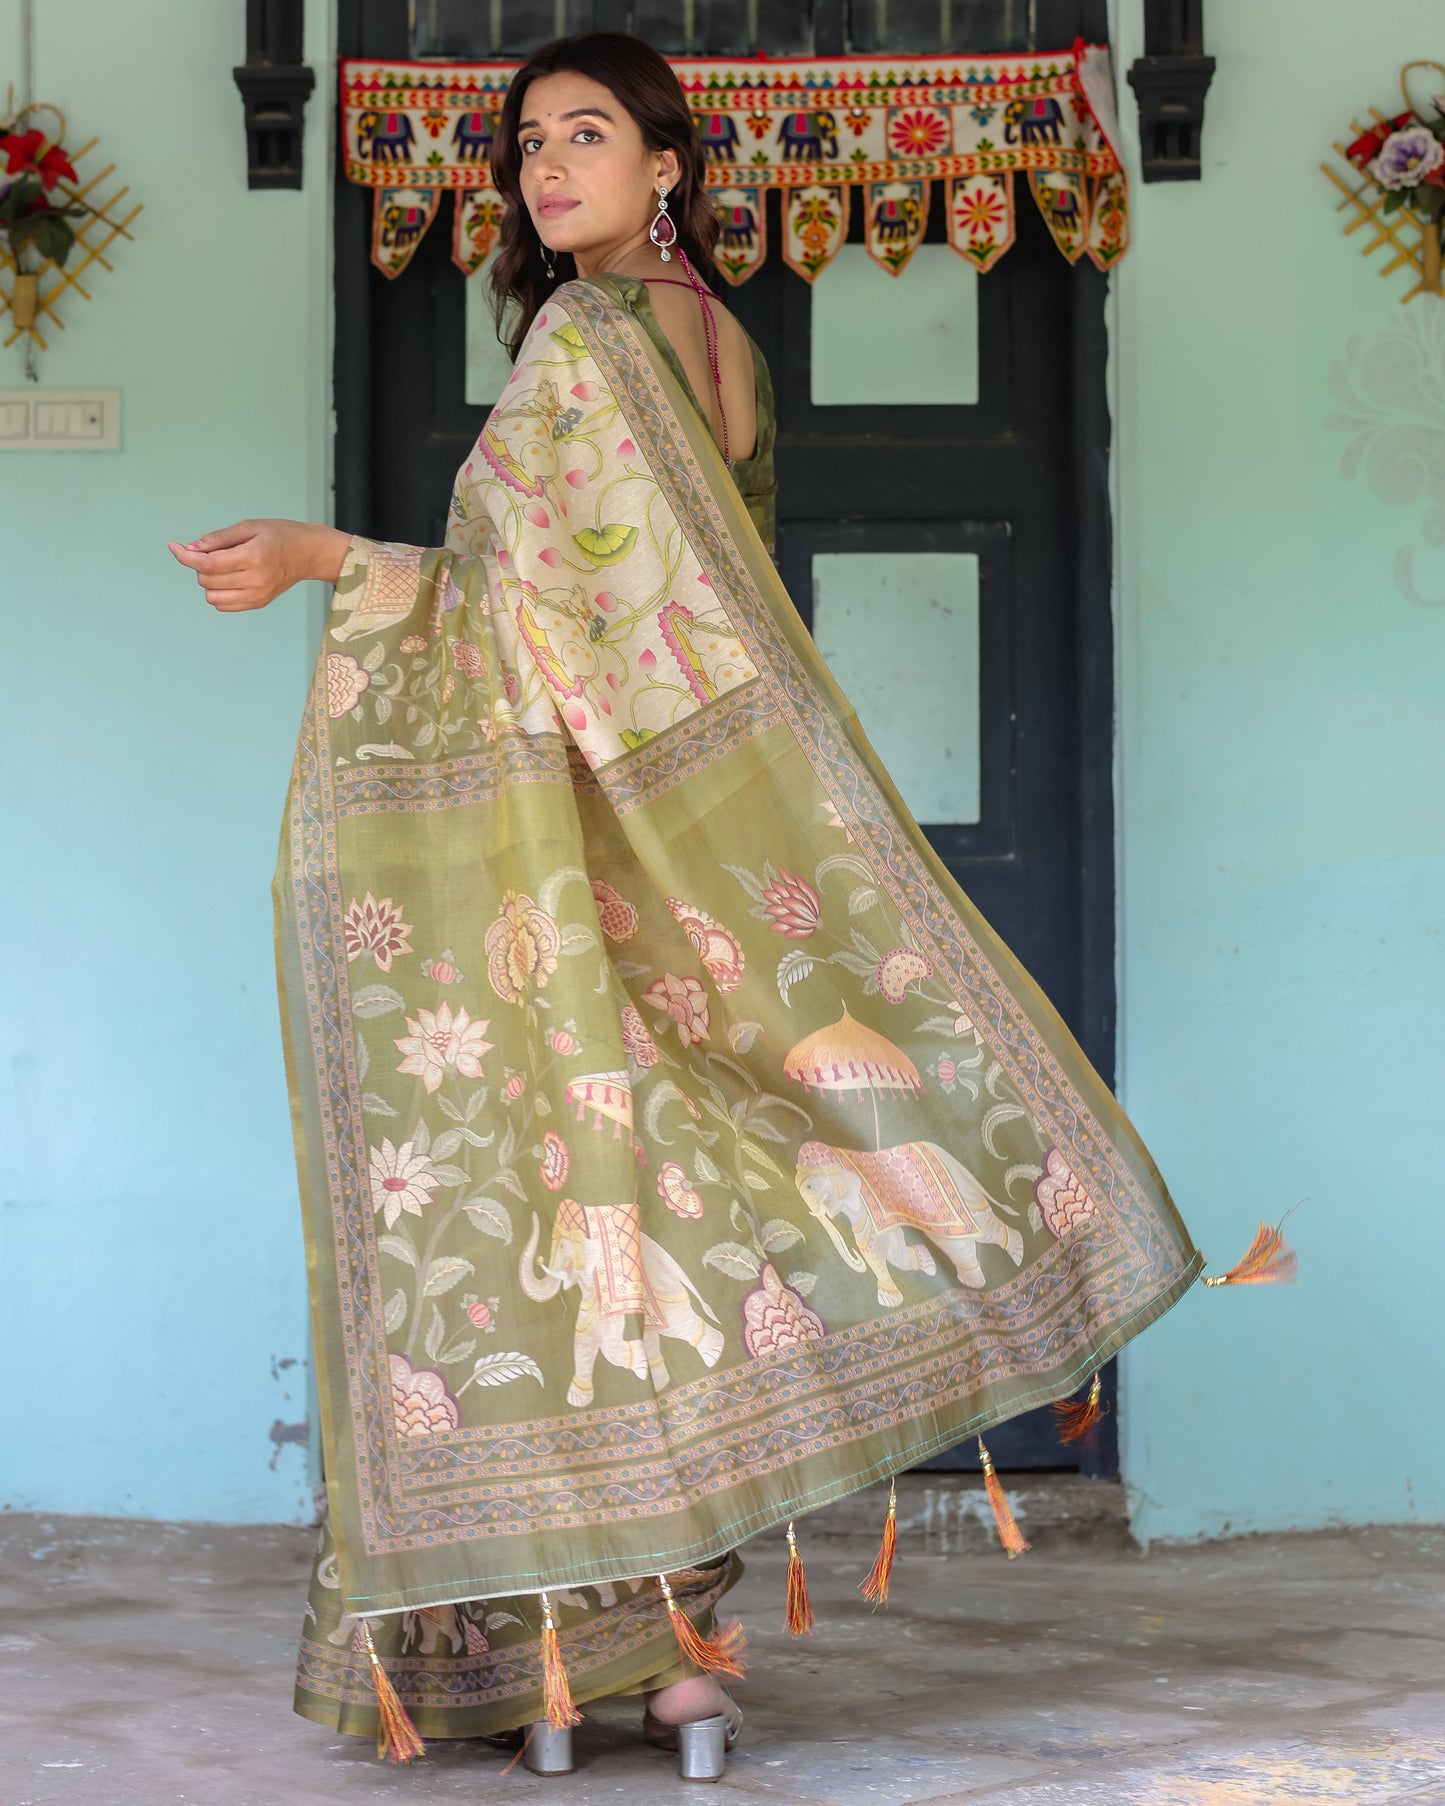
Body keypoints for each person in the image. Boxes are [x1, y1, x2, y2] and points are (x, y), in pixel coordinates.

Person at [168, 30, 1210, 1783]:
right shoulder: (711, 341)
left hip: (580, 866)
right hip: (672, 849)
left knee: (567, 1215)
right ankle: (675, 1661)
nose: (544, 166)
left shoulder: (593, 341)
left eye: (588, 135)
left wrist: (323, 557)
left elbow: (522, 614)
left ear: (669, 170)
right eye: (523, 145)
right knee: (660, 1221)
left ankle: (602, 1658)